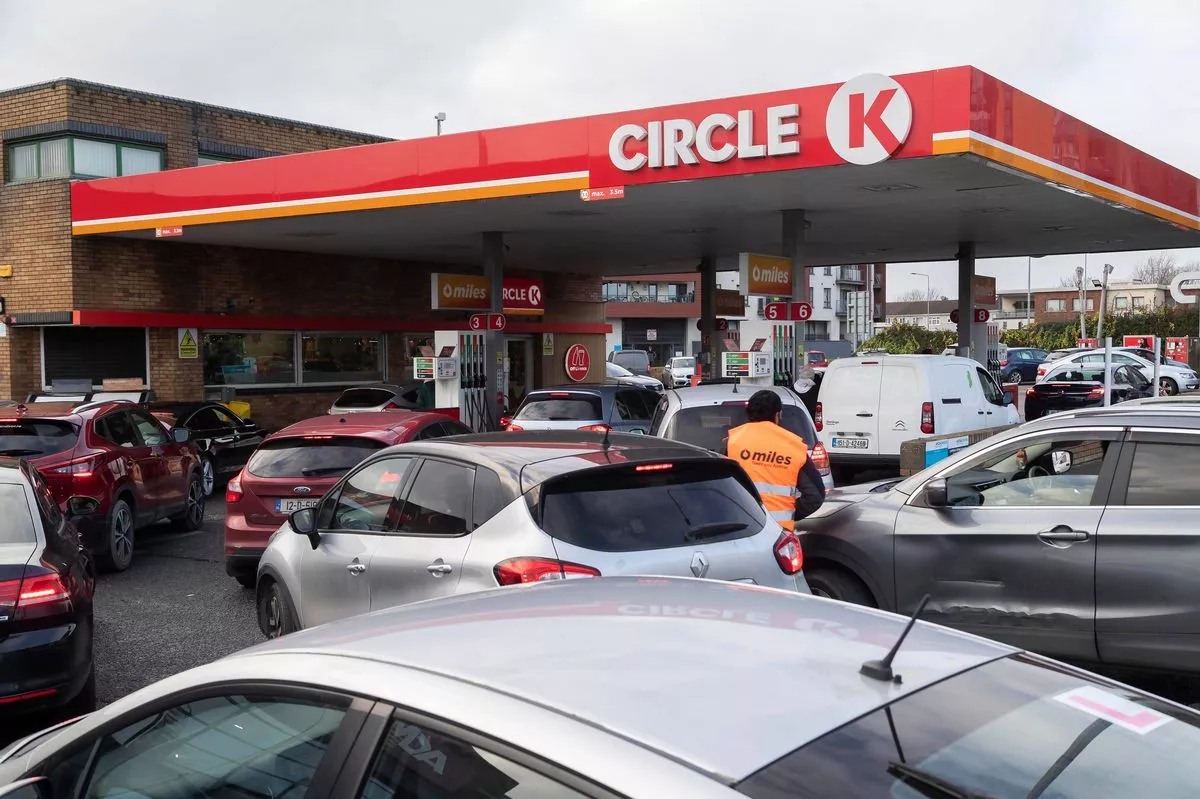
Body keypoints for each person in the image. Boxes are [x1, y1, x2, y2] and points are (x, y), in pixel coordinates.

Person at [726, 390, 826, 529]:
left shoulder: (732, 442)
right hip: (779, 531)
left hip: (741, 527)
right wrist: (789, 512)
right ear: (778, 414)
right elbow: (815, 496)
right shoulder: (794, 447)